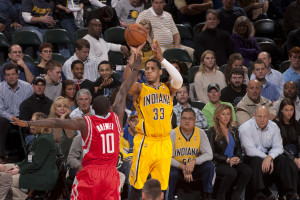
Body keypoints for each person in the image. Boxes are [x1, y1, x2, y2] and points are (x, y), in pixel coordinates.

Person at [11, 46, 145, 199]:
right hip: (110, 173)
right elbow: (123, 90)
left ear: (93, 108)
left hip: (91, 173)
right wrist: (135, 70)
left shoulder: (86, 122)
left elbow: (56, 122)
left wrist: (28, 123)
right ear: (109, 108)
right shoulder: (116, 118)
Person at [127, 40, 183, 199]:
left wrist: (162, 59)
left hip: (165, 142)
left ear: (160, 72)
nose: (149, 71)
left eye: (153, 69)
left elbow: (179, 80)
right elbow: (128, 84)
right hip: (146, 142)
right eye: (147, 69)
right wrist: (134, 57)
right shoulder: (140, 88)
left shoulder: (168, 88)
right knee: (137, 184)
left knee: (161, 187)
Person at [239, 106, 298, 200]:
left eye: (265, 116)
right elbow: (250, 151)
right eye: (259, 116)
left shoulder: (273, 126)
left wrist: (269, 157)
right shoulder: (245, 128)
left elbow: (278, 147)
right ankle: (260, 193)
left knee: (282, 159)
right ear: (254, 116)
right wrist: (267, 157)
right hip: (249, 157)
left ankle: (288, 193)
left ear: (269, 116)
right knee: (257, 160)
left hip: (268, 155)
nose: (262, 119)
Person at [0, 112, 58, 199]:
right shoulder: (38, 137)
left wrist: (19, 170)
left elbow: (36, 164)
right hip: (36, 171)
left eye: (32, 121)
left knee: (5, 180)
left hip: (42, 176)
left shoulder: (44, 140)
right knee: (3, 169)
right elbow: (29, 160)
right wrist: (17, 166)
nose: (30, 124)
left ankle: (24, 198)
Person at [207, 104, 252, 200]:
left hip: (233, 161)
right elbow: (211, 153)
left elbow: (239, 149)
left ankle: (236, 194)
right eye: (223, 114)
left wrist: (237, 157)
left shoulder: (234, 130)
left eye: (228, 114)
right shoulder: (212, 131)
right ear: (218, 116)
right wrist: (227, 159)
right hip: (219, 163)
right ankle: (221, 194)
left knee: (247, 170)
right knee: (232, 172)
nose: (226, 117)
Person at [168, 108, 215, 200]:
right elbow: (167, 157)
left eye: (190, 119)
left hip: (194, 168)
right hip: (178, 168)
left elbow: (209, 154)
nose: (187, 121)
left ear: (194, 121)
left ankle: (207, 195)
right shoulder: (173, 134)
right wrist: (183, 167)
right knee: (170, 172)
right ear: (180, 120)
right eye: (184, 118)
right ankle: (170, 197)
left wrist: (193, 162)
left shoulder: (200, 133)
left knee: (209, 166)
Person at [0, 64, 33, 164]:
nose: (11, 77)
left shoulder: (27, 87)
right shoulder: (0, 88)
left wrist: (21, 119)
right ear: (4, 77)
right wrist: (12, 118)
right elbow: (0, 109)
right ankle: (1, 156)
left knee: (28, 124)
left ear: (18, 74)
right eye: (8, 75)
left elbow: (30, 106)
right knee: (1, 122)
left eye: (13, 74)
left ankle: (28, 157)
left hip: (22, 117)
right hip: (6, 117)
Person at [273, 98, 300, 199]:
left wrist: (299, 158)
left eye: (291, 110)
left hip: (296, 154)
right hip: (282, 154)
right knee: (292, 166)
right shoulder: (275, 124)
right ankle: (291, 194)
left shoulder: (296, 124)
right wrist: (294, 159)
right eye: (286, 110)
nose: (289, 113)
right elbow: (278, 146)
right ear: (281, 110)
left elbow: (299, 144)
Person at [119, 111, 139, 189]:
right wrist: (136, 159)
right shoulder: (121, 134)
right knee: (131, 166)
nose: (136, 124)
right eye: (134, 121)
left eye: (139, 121)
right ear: (129, 122)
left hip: (139, 163)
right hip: (122, 165)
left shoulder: (144, 136)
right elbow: (121, 155)